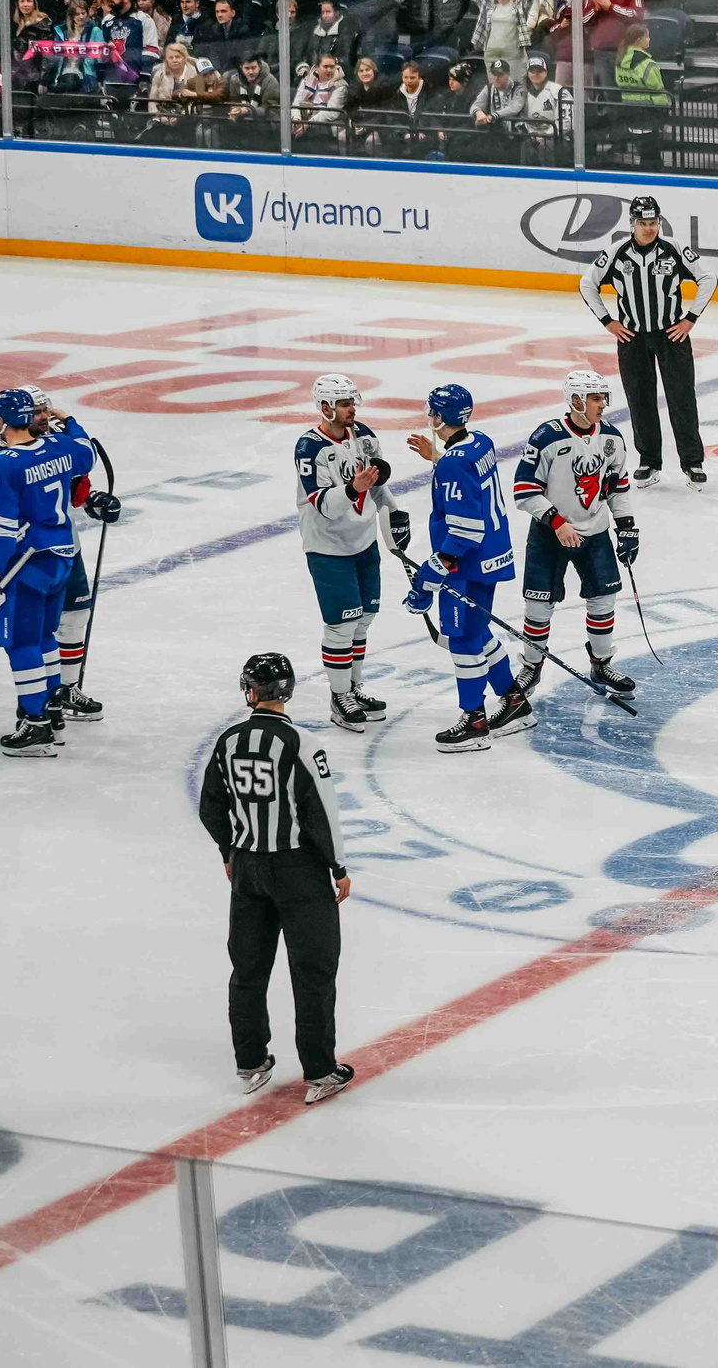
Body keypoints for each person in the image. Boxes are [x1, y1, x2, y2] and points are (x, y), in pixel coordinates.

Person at [199, 652, 355, 1105]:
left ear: (252, 691)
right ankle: (320, 1071)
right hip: (299, 872)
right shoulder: (302, 743)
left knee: (248, 969)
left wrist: (229, 850)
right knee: (313, 971)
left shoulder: (228, 741)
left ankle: (250, 1061)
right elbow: (322, 812)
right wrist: (338, 867)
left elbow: (211, 806)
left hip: (248, 870)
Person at [400, 384, 535, 753]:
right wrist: (439, 459)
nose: (429, 417)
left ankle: (474, 721)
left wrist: (432, 573)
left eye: (432, 411)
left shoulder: (453, 462)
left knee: (461, 638)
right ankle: (514, 700)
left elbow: (465, 531)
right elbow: (469, 484)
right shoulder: (480, 442)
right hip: (493, 555)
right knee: (477, 631)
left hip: (468, 564)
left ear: (440, 417)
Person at [510, 370, 641, 701]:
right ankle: (531, 666)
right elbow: (524, 489)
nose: (603, 405)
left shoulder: (611, 438)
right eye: (596, 398)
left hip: (594, 533)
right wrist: (556, 521)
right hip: (549, 535)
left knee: (603, 601)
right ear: (576, 400)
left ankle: (601, 664)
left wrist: (626, 526)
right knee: (538, 606)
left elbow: (618, 486)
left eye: (603, 398)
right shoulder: (547, 437)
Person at [577, 195, 716, 490]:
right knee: (640, 400)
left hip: (672, 336)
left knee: (682, 399)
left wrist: (690, 319)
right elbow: (587, 283)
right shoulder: (616, 253)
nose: (650, 228)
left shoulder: (674, 249)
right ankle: (649, 462)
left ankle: (692, 463)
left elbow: (708, 278)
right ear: (632, 223)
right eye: (643, 223)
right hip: (632, 339)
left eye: (654, 222)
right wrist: (608, 321)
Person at [291, 374, 403, 735]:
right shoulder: (310, 448)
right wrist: (354, 488)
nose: (351, 409)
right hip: (327, 547)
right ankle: (340, 697)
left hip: (364, 541)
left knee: (364, 617)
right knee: (341, 625)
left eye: (352, 402)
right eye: (344, 404)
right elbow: (324, 505)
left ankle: (353, 688)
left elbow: (377, 484)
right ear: (325, 408)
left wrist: (394, 512)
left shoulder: (365, 436)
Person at [0, 386, 100, 756]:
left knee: (21, 643)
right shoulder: (60, 446)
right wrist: (69, 421)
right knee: (43, 638)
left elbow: (3, 529)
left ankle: (36, 723)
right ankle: (54, 713)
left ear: (1, 421)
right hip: (62, 558)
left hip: (26, 563)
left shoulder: (6, 463)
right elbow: (87, 451)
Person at [16, 388, 113, 727]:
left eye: (46, 409)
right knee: (25, 632)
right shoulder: (6, 453)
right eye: (37, 411)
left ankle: (64, 690)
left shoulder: (56, 443)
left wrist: (94, 501)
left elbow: (73, 490)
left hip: (61, 545)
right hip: (19, 553)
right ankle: (35, 705)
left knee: (74, 615)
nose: (45, 416)